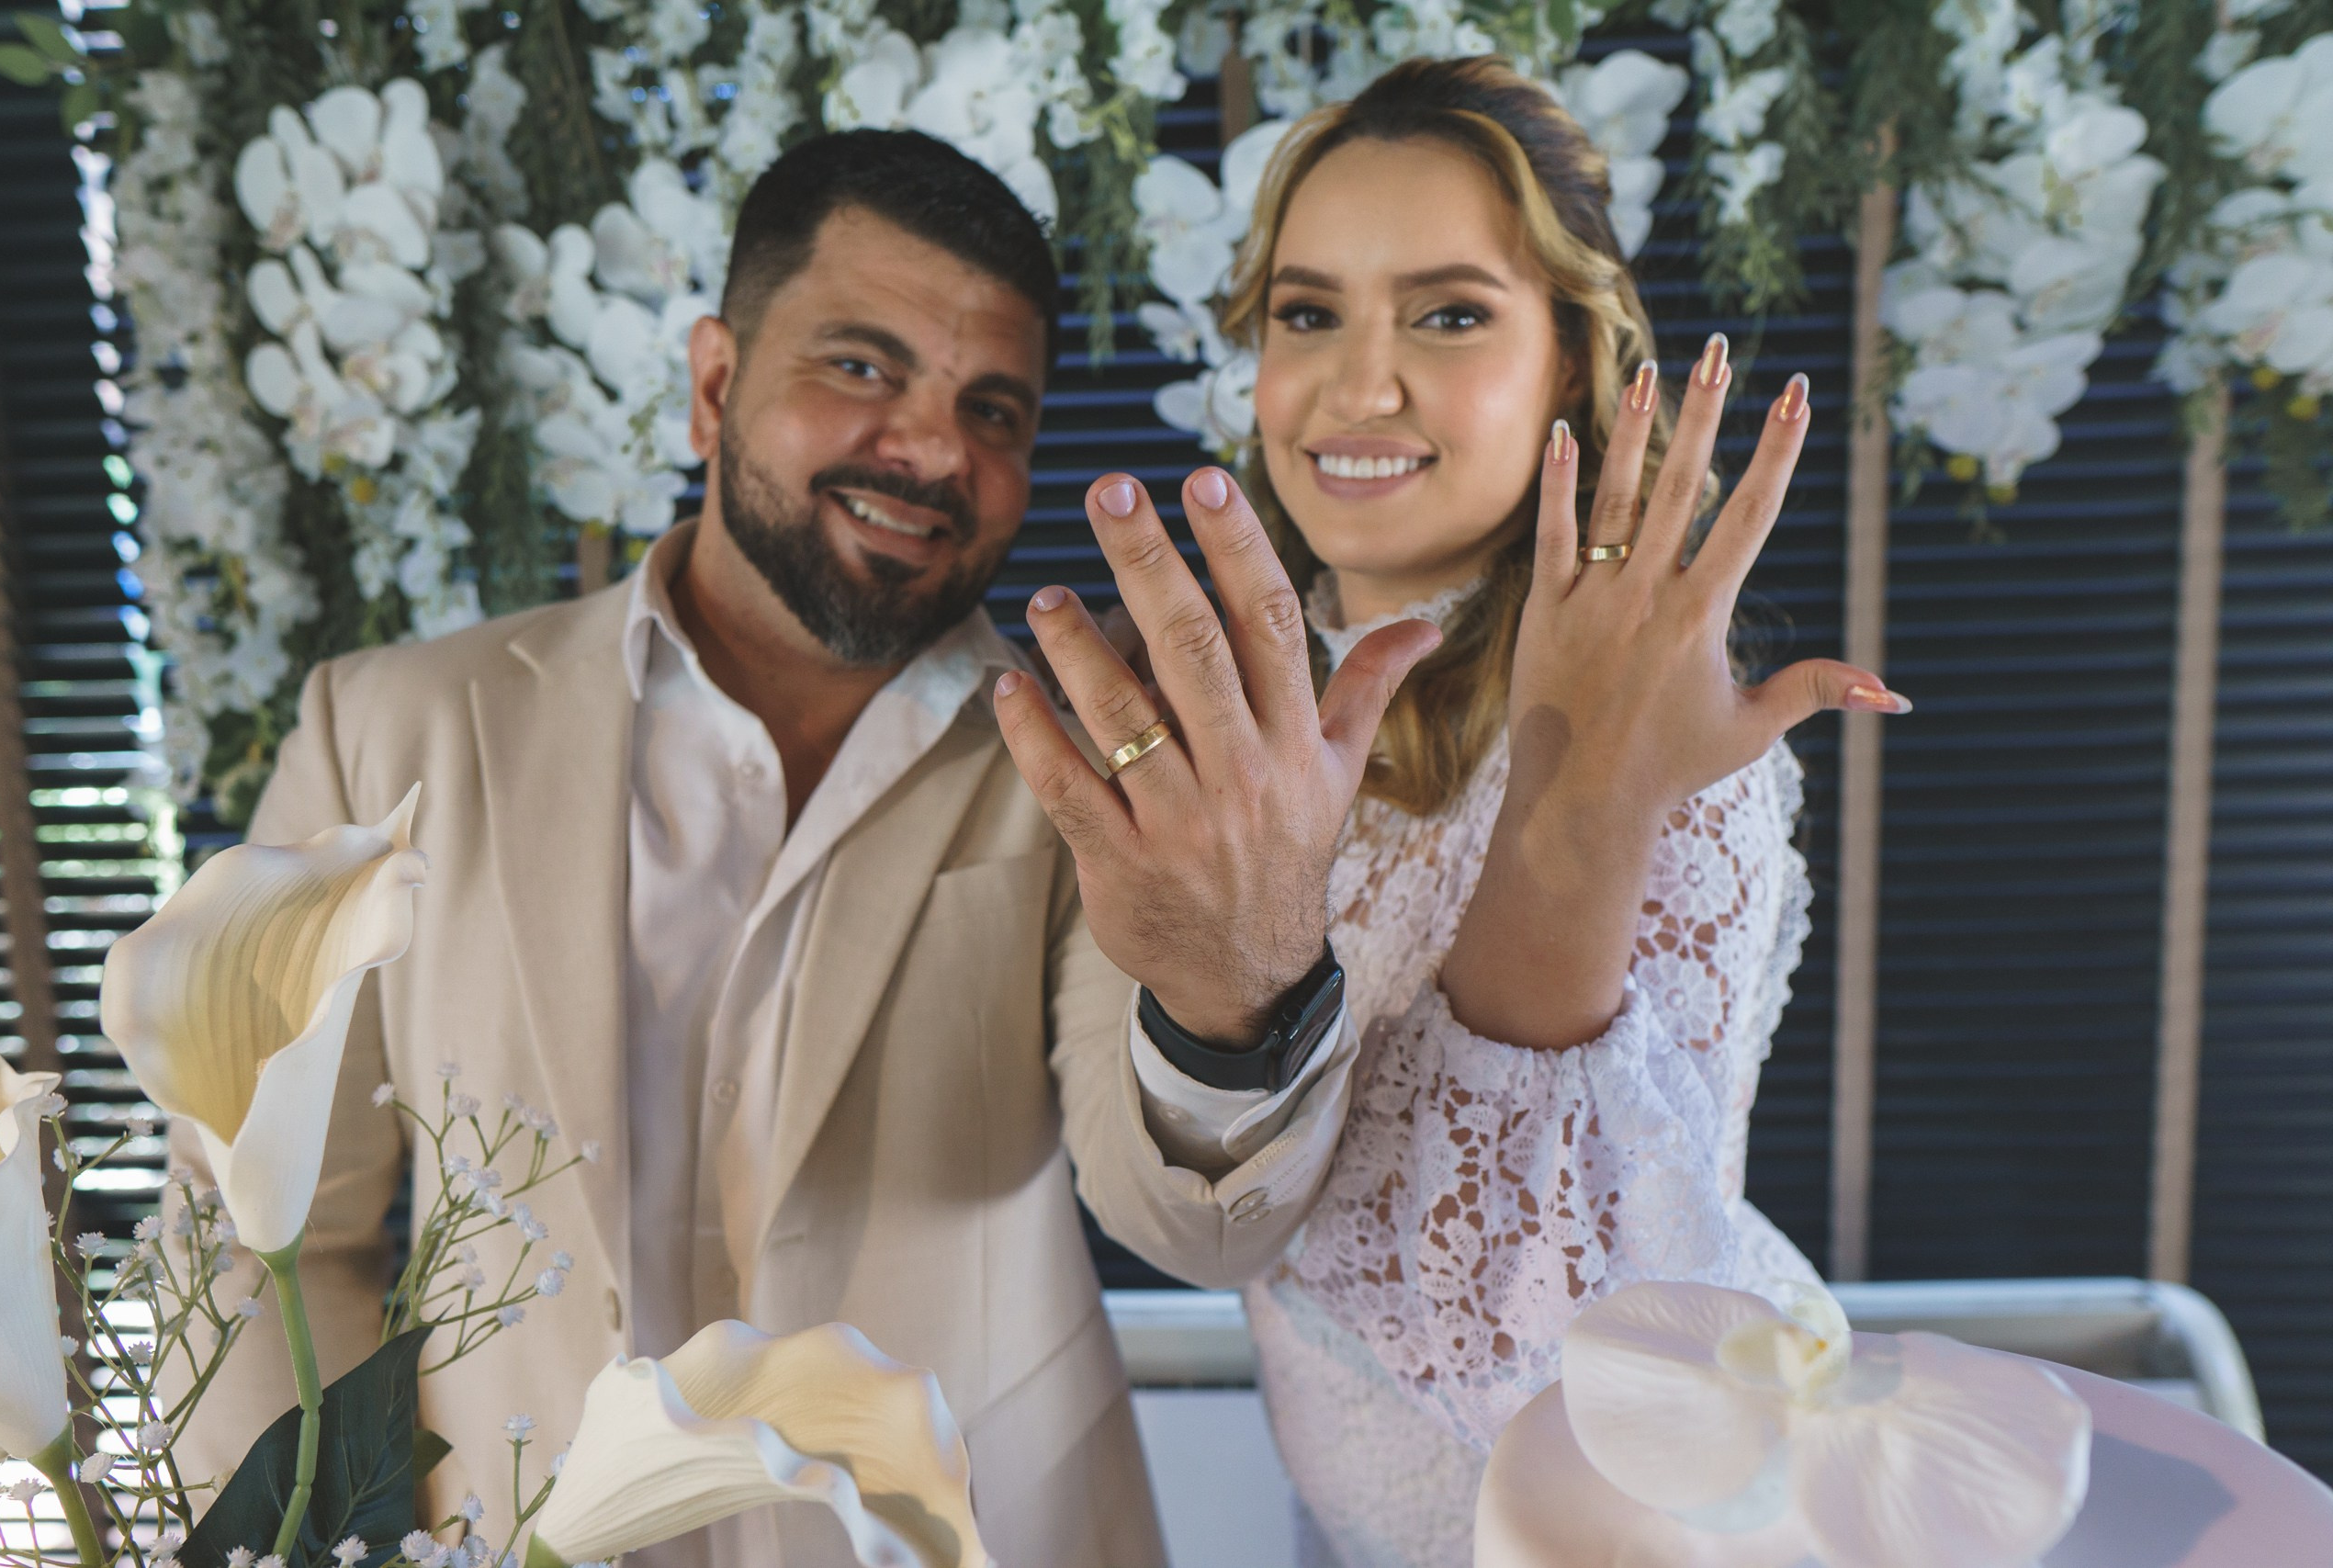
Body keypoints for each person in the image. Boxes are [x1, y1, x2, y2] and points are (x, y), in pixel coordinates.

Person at [170, 130, 1439, 1566]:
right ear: (715, 385)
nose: (934, 451)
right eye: (861, 366)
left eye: (994, 410)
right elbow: (252, 1238)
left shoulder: (1095, 770)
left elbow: (1202, 1232)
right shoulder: (386, 731)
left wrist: (1235, 988)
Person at [1013, 58, 1910, 1568]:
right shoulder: (1218, 704)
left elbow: (1541, 1330)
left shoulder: (1657, 728)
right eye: (1308, 315)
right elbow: (1179, 1204)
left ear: (1570, 361)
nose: (1360, 388)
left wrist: (1576, 793)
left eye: (1447, 316)